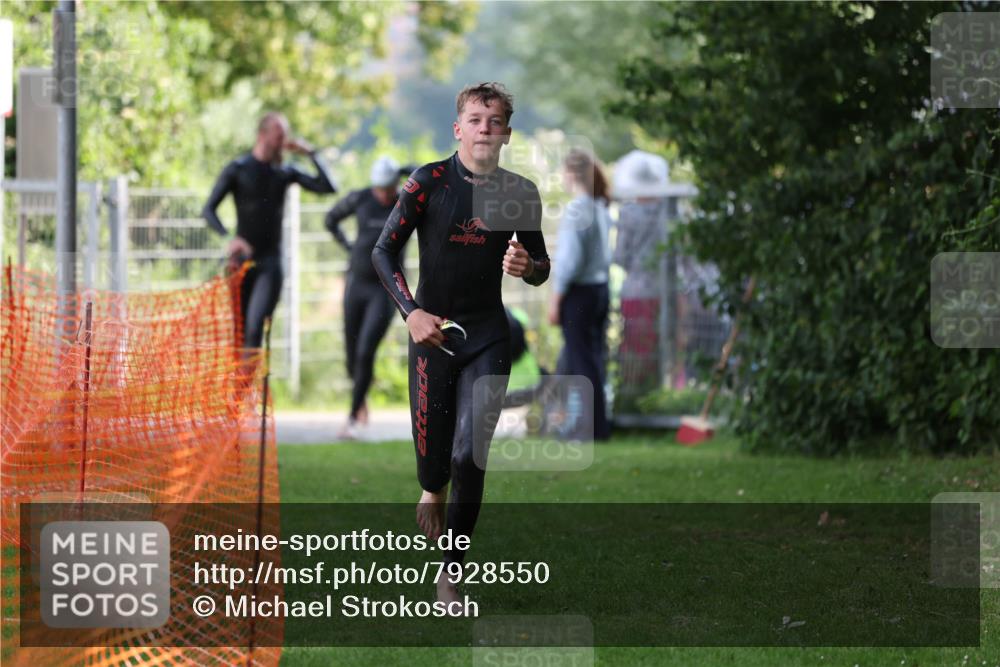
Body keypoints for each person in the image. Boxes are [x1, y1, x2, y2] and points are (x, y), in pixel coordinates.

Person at [371, 82, 550, 605]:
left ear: (507, 134)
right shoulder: (428, 182)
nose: (484, 130)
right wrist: (412, 312)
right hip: (433, 336)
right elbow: (382, 252)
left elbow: (541, 267)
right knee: (435, 466)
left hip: (489, 335)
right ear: (458, 129)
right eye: (475, 120)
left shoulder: (520, 193)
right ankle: (432, 487)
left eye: (494, 122)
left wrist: (528, 265)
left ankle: (451, 572)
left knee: (470, 454)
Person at [203, 111, 337, 350]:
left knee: (256, 329)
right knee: (239, 332)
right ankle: (241, 376)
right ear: (262, 135)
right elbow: (208, 210)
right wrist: (230, 238)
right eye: (279, 137)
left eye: (285, 136)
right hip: (241, 262)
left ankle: (253, 375)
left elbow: (328, 187)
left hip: (271, 264)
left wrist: (311, 153)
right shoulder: (238, 169)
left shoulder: (285, 172)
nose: (284, 143)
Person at [325, 157, 413, 439]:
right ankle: (360, 397)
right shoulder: (361, 198)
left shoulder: (405, 203)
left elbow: (430, 181)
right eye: (379, 188)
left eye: (388, 188)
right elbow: (330, 219)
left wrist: (404, 170)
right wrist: (349, 247)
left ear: (395, 184)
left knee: (366, 351)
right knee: (351, 354)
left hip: (384, 289)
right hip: (357, 283)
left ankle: (351, 419)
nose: (383, 194)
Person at [547, 148, 613, 441]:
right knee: (593, 358)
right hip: (600, 289)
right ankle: (596, 425)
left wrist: (556, 298)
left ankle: (588, 428)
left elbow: (569, 262)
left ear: (572, 174)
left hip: (580, 294)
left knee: (581, 361)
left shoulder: (577, 210)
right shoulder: (600, 207)